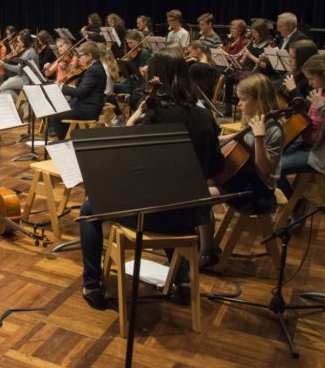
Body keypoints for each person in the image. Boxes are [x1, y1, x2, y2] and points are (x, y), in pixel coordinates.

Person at [80, 50, 224, 307]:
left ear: (158, 79)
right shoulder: (206, 118)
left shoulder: (157, 115)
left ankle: (91, 285)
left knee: (89, 209)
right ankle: (182, 281)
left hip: (155, 215)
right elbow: (215, 170)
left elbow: (124, 161)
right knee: (171, 198)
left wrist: (134, 119)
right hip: (190, 216)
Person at [200, 73, 284, 268]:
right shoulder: (253, 119)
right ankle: (205, 243)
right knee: (198, 189)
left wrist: (260, 138)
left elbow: (264, 168)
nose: (239, 104)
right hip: (240, 178)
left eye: (243, 100)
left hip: (258, 189)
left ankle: (207, 252)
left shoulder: (273, 129)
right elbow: (239, 138)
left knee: (202, 198)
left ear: (259, 100)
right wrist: (210, 139)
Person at [277, 54, 325, 199]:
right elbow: (309, 119)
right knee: (266, 162)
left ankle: (295, 206)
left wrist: (321, 107)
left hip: (320, 153)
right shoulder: (321, 91)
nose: (309, 83)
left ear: (324, 75)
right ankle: (294, 201)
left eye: (311, 78)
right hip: (304, 144)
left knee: (274, 168)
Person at [49, 41, 106, 139]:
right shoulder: (94, 67)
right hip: (86, 104)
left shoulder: (94, 70)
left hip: (88, 109)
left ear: (89, 56)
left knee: (55, 115)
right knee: (59, 108)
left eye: (81, 56)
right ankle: (70, 139)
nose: (79, 58)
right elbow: (85, 89)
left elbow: (80, 92)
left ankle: (65, 143)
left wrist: (61, 87)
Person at [0, 30, 38, 103]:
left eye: (19, 42)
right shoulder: (30, 50)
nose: (18, 44)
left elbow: (18, 69)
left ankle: (20, 103)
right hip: (23, 76)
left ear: (24, 42)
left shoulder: (28, 53)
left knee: (2, 87)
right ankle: (18, 102)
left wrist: (3, 64)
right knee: (7, 88)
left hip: (27, 79)